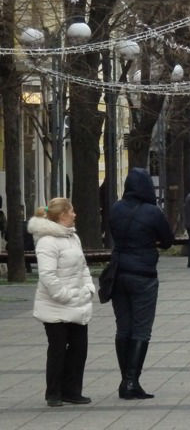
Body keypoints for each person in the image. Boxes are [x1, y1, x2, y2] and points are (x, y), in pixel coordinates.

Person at [110, 168, 174, 399]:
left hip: (118, 273)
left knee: (123, 327)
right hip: (143, 274)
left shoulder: (116, 208)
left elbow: (113, 233)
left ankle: (124, 379)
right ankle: (131, 381)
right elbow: (167, 240)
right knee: (141, 329)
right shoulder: (152, 212)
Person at [28, 198, 94, 407]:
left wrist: (88, 288)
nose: (75, 214)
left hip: (77, 301)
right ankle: (54, 393)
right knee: (57, 349)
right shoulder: (47, 241)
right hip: (55, 305)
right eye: (72, 211)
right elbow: (47, 275)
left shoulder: (73, 237)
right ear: (62, 214)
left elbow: (82, 267)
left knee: (79, 347)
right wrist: (65, 295)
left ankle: (73, 390)